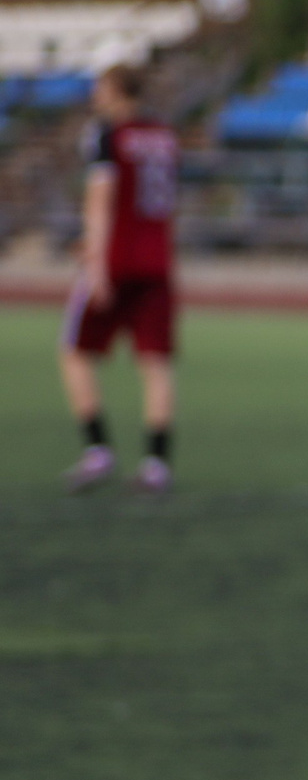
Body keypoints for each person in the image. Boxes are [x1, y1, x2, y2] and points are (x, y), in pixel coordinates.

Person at [59, 63, 182, 493]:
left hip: (116, 260)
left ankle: (97, 450)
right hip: (158, 260)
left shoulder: (108, 135)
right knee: (156, 363)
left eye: (100, 86)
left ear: (115, 90)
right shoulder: (164, 135)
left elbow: (101, 200)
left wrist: (94, 261)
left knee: (73, 351)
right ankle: (157, 463)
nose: (95, 95)